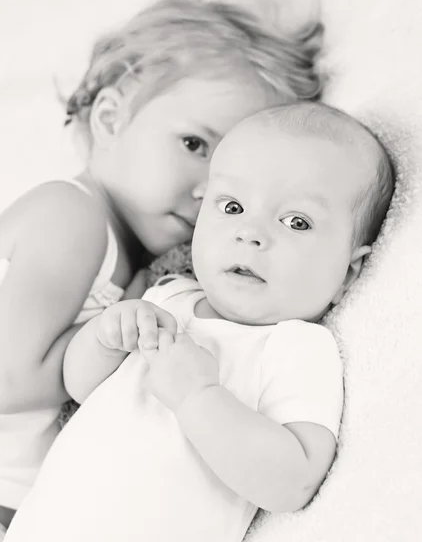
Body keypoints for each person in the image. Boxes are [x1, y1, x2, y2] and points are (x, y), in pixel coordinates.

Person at [0, 0, 324, 535]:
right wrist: (123, 321)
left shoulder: (128, 252)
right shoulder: (72, 217)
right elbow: (7, 378)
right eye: (195, 145)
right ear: (110, 117)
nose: (208, 192)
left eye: (230, 180)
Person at [4, 102, 395, 542]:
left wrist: (197, 396)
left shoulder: (298, 348)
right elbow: (80, 387)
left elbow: (293, 482)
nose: (250, 233)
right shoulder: (169, 296)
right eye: (231, 207)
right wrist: (105, 337)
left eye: (296, 221)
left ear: (346, 274)